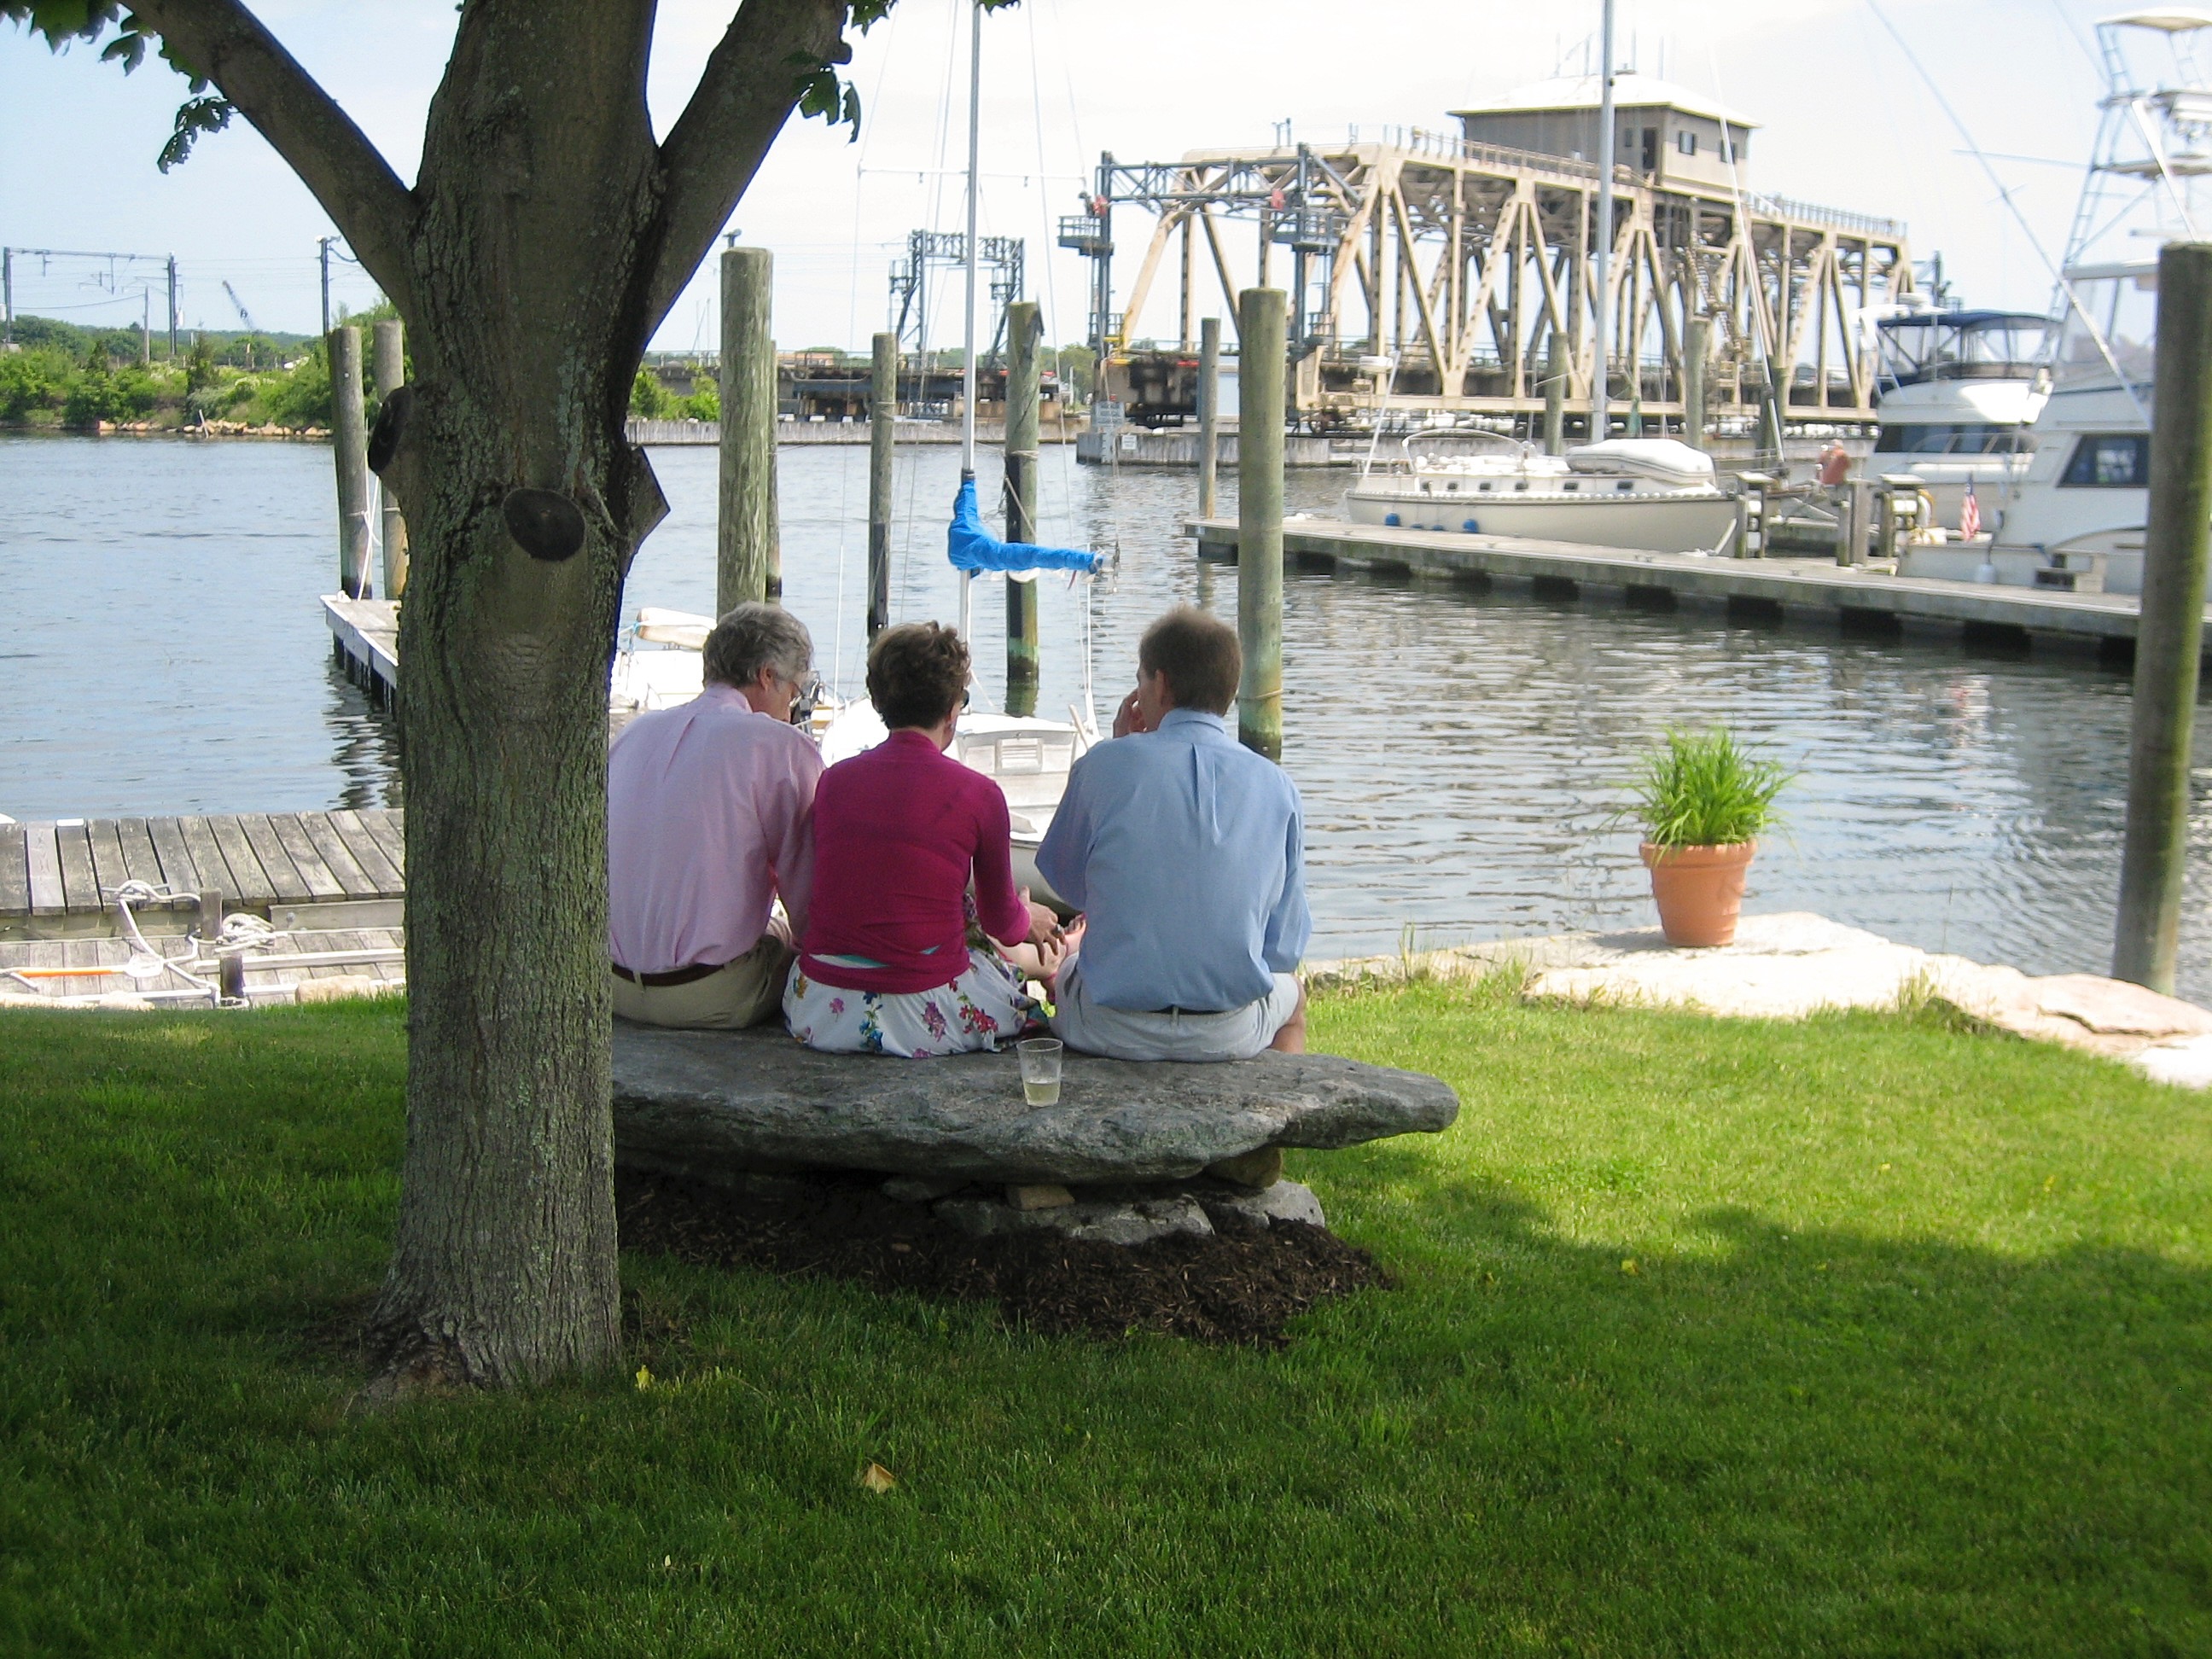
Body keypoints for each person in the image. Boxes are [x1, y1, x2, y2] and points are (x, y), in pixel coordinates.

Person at [1036, 606, 1310, 1062]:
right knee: (1293, 999)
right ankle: (1277, 1100)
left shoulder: (1102, 765)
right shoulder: (1278, 786)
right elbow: (1283, 947)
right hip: (1227, 1030)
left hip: (1110, 1025)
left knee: (1067, 968)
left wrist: (1120, 748)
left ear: (1160, 684)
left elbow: (1069, 886)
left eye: (1140, 680)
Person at [785, 621, 1065, 1057]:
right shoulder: (980, 795)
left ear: (879, 701)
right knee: (1001, 978)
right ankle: (1059, 957)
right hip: (919, 1006)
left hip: (823, 1003)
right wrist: (1027, 918)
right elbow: (1000, 923)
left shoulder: (834, 781)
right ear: (952, 709)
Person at [607, 602, 822, 1029]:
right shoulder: (778, 745)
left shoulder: (633, 734)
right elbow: (810, 900)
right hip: (708, 996)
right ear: (767, 676)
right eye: (794, 694)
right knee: (786, 938)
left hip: (613, 986)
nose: (789, 711)